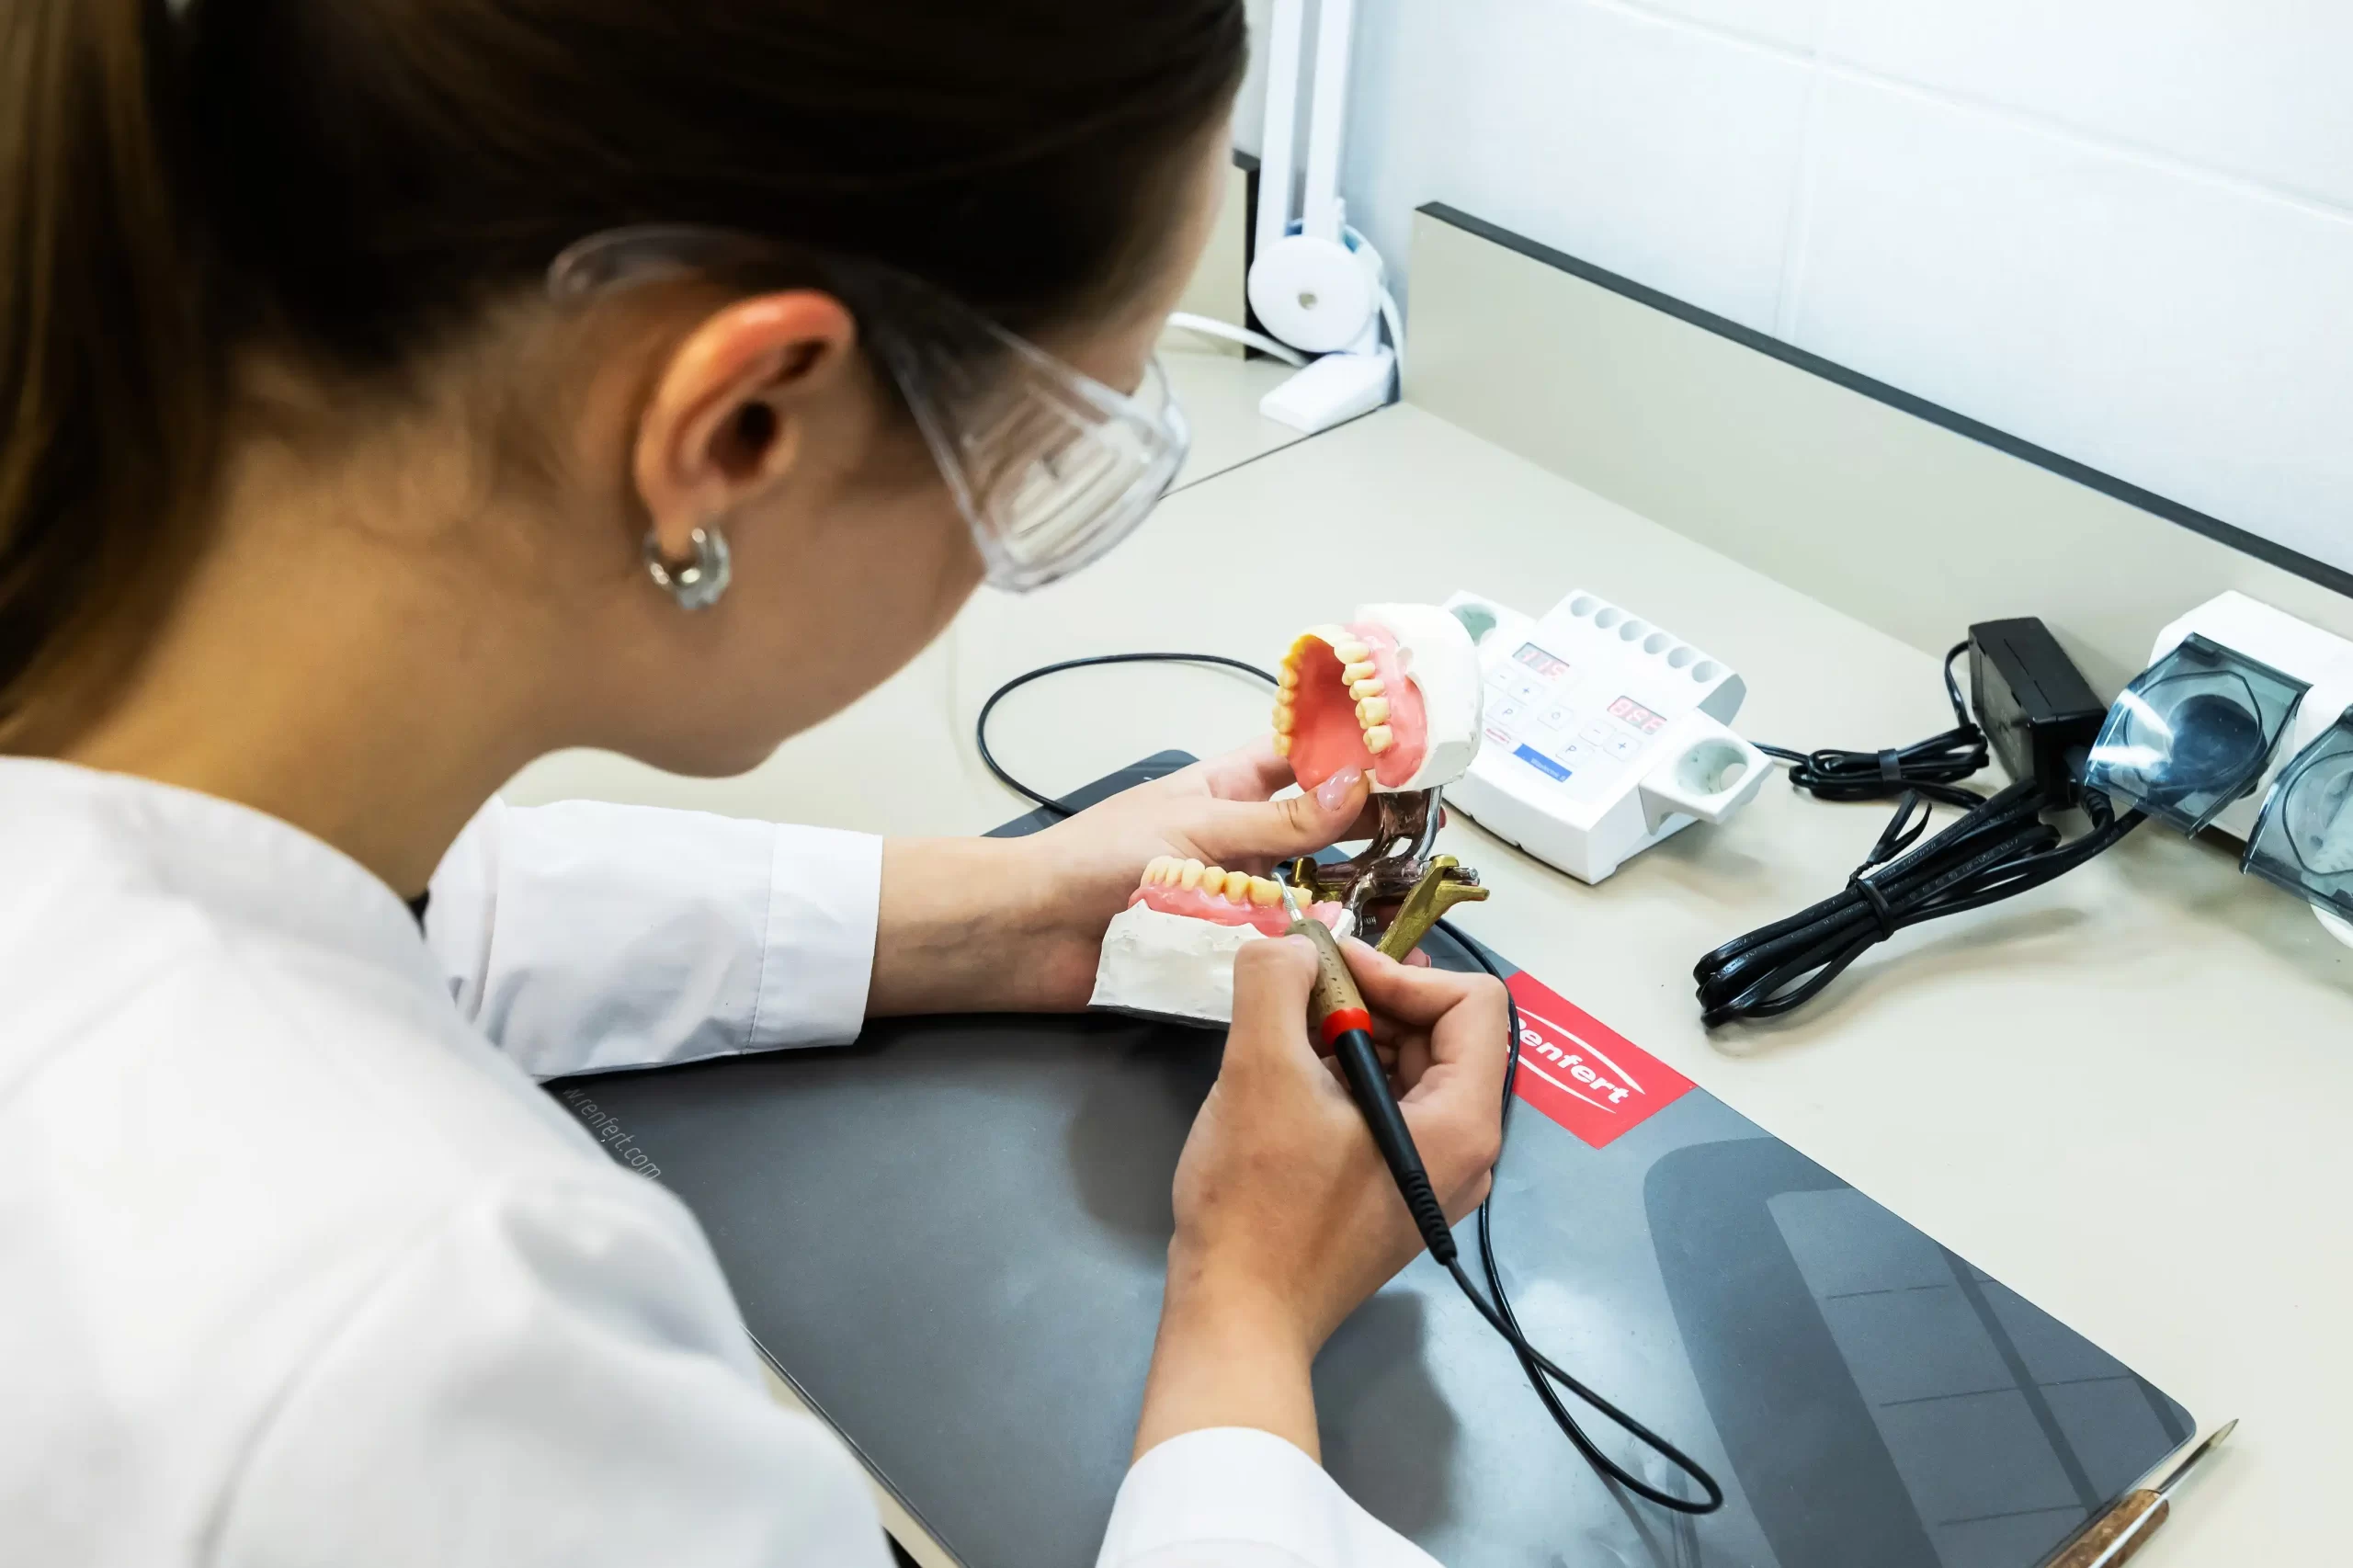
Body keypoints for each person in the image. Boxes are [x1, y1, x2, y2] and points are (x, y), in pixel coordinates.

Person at [0, 1, 1510, 1563]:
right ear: (740, 427)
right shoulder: (443, 1362)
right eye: (1045, 459)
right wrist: (1243, 1314)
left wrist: (1009, 915)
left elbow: (398, 906)